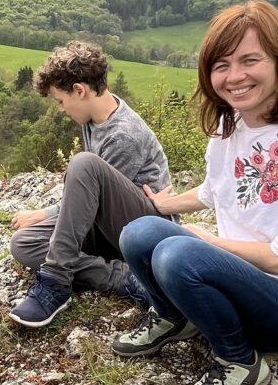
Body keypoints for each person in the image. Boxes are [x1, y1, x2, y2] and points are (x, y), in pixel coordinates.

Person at [113, 0, 278, 385]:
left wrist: (205, 240)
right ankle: (175, 317)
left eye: (250, 60)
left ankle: (241, 361)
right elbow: (215, 190)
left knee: (178, 254)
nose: (234, 76)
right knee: (139, 232)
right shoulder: (231, 128)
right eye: (221, 64)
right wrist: (161, 204)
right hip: (238, 282)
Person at [9, 41, 171, 328]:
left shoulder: (124, 135)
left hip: (145, 231)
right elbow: (87, 200)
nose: (61, 109)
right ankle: (122, 277)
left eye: (61, 101)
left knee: (83, 164)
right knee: (24, 243)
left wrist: (47, 214)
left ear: (80, 90)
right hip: (110, 228)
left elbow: (90, 191)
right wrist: (46, 216)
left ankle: (56, 282)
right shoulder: (95, 118)